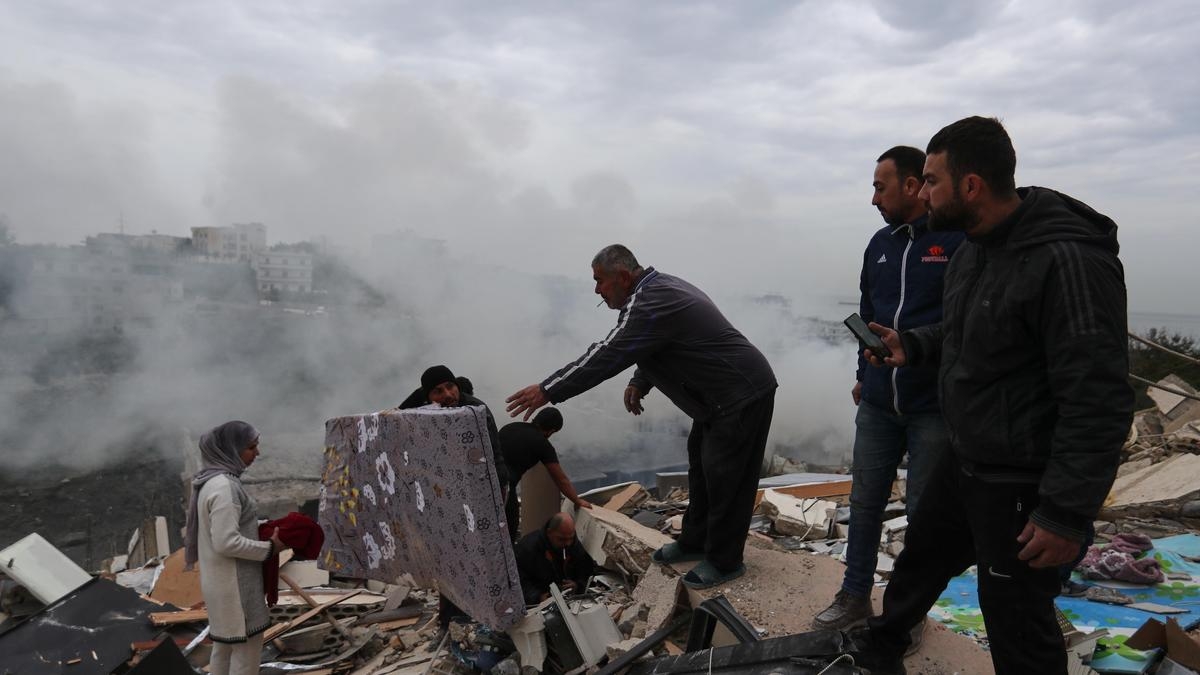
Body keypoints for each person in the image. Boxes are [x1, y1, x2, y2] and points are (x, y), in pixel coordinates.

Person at [844, 116, 1134, 675]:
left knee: (1014, 617)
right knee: (920, 562)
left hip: (1021, 480)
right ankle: (881, 650)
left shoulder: (1068, 261)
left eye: (932, 181)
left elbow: (1097, 397)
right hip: (968, 457)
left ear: (971, 185)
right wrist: (912, 345)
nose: (922, 194)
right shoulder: (975, 250)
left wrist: (1064, 514)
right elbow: (965, 331)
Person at [506, 245, 776, 590]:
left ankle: (725, 561)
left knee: (726, 478)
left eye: (599, 281)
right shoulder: (652, 294)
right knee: (702, 470)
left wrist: (549, 389)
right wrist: (640, 380)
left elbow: (608, 353)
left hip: (741, 394)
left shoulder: (651, 299)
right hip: (715, 400)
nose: (597, 290)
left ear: (622, 276)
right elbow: (656, 341)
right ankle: (694, 541)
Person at [812, 147, 964, 637]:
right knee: (864, 504)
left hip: (932, 406)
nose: (874, 198)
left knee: (924, 515)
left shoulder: (955, 241)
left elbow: (965, 323)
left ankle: (908, 613)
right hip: (879, 402)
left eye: (881, 187)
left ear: (913, 185)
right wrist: (864, 371)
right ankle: (854, 595)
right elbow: (868, 312)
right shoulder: (878, 244)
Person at [399, 364, 509, 632]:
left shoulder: (474, 410)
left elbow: (494, 457)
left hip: (479, 492)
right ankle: (451, 620)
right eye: (438, 391)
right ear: (428, 395)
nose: (448, 394)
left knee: (481, 554)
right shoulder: (426, 410)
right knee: (448, 558)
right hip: (443, 497)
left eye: (450, 387)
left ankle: (486, 614)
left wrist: (497, 495)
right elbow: (397, 417)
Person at [184, 421, 289, 675]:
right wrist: (269, 548)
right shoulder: (225, 487)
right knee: (246, 656)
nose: (257, 453)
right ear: (230, 449)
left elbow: (230, 529)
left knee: (224, 649)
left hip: (221, 585)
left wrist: (260, 527)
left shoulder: (210, 482)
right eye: (251, 447)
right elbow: (226, 541)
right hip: (236, 588)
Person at [499, 407, 592, 543]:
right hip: (504, 487)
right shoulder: (542, 444)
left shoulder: (510, 427)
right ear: (551, 431)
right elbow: (561, 479)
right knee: (509, 529)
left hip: (484, 479)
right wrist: (577, 500)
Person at [513, 512, 597, 604]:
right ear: (549, 532)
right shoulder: (527, 548)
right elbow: (517, 581)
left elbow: (587, 572)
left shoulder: (574, 545)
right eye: (561, 539)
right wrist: (538, 597)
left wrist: (577, 585)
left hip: (567, 599)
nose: (567, 543)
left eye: (570, 538)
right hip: (539, 599)